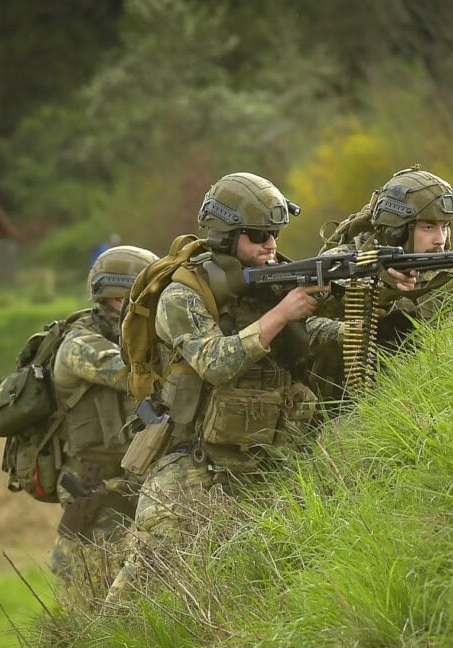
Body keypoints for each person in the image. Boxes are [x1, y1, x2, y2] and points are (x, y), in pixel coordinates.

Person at [105, 172, 342, 604]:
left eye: (274, 234)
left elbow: (307, 333)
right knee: (143, 582)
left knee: (265, 580)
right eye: (258, 236)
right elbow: (216, 363)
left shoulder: (273, 277)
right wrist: (282, 313)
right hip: (193, 460)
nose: (271, 246)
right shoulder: (184, 294)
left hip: (268, 453)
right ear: (227, 236)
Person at [50, 244, 158, 601]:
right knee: (91, 601)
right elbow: (134, 374)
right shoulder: (79, 345)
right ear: (115, 298)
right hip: (93, 489)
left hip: (129, 483)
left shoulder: (128, 335)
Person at [313, 166, 453, 394]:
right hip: (342, 404)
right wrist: (356, 328)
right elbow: (300, 329)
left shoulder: (449, 276)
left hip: (421, 399)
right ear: (397, 231)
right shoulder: (340, 264)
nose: (440, 240)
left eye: (446, 227)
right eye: (429, 227)